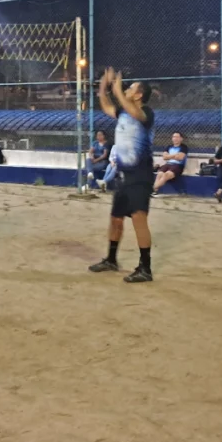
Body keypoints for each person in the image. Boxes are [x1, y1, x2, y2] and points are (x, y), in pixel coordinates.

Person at [89, 68, 155, 283]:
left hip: (140, 176)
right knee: (116, 219)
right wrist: (103, 86)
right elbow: (107, 106)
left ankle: (145, 268)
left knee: (138, 218)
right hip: (123, 175)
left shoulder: (146, 113)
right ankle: (111, 259)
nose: (127, 89)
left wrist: (117, 90)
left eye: (131, 88)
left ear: (139, 95)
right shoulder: (123, 112)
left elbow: (136, 113)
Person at [152, 132, 188, 196]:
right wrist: (175, 155)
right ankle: (155, 191)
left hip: (178, 165)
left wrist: (169, 156)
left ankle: (151, 189)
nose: (175, 138)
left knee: (165, 175)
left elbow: (180, 157)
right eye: (174, 137)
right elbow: (164, 157)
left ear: (181, 139)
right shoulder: (169, 147)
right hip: (168, 164)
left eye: (177, 137)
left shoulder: (184, 147)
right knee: (160, 174)